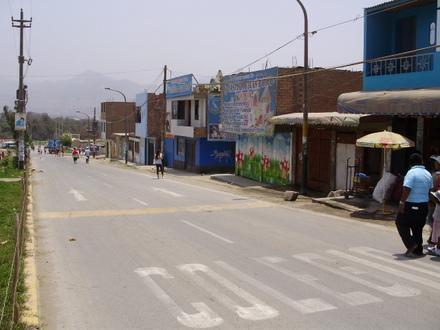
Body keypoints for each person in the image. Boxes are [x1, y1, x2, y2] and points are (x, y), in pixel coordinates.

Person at [396, 153, 433, 257]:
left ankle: (411, 244)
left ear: (410, 163)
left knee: (400, 222)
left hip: (411, 204)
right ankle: (418, 250)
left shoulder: (411, 173)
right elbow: (430, 190)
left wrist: (402, 202)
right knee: (417, 228)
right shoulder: (428, 174)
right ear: (421, 162)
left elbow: (407, 188)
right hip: (423, 206)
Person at [427, 155, 440, 246]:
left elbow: (432, 188)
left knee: (432, 220)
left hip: (435, 199)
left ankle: (434, 240)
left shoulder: (436, 175)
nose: (435, 164)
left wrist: (430, 200)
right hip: (436, 199)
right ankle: (432, 238)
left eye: (436, 163)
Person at [427, 190, 440, 256]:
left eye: (435, 198)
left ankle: (438, 250)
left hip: (438, 220)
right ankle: (437, 247)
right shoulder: (437, 205)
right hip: (437, 219)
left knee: (438, 235)